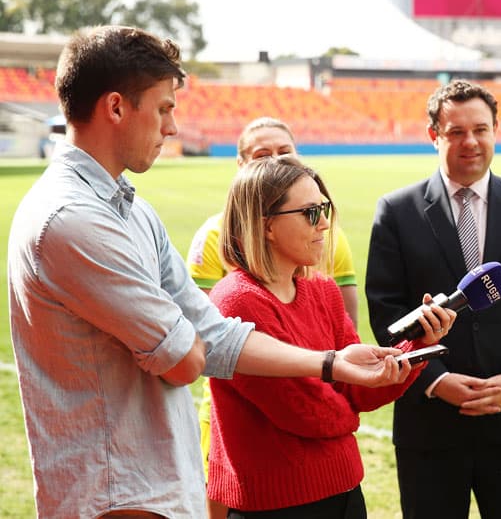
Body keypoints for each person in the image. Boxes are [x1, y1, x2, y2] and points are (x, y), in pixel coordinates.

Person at [6, 25, 411, 518]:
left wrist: (330, 363)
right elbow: (185, 359)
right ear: (115, 107)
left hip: (150, 487)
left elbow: (212, 337)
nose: (172, 127)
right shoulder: (71, 218)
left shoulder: (130, 209)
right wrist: (194, 341)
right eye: (163, 109)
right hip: (114, 495)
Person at [208, 155, 455, 517]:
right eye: (310, 212)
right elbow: (304, 411)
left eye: (324, 208)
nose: (324, 224)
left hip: (343, 492)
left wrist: (416, 345)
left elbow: (358, 390)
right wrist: (349, 412)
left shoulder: (322, 290)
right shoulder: (237, 300)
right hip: (275, 505)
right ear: (266, 226)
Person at [366, 79, 501, 518]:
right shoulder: (396, 211)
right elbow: (386, 311)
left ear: (496, 130)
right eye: (456, 132)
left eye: (481, 129)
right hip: (430, 425)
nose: (470, 142)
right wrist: (434, 378)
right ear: (434, 135)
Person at [186, 117, 361, 519]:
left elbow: (347, 346)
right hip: (257, 466)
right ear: (241, 164)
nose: (322, 223)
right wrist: (344, 388)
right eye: (263, 155)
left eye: (285, 151)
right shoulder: (219, 251)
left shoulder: (324, 267)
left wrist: (407, 348)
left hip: (336, 476)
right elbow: (214, 344)